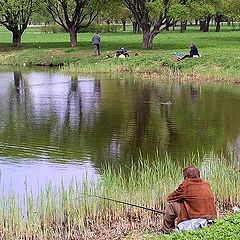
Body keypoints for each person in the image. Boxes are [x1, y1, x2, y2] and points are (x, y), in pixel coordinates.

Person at [160, 165, 217, 234]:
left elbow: (170, 198)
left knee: (172, 205)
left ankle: (166, 230)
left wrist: (182, 200)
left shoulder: (186, 185)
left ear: (186, 176)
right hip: (211, 219)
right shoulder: (206, 184)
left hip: (195, 219)